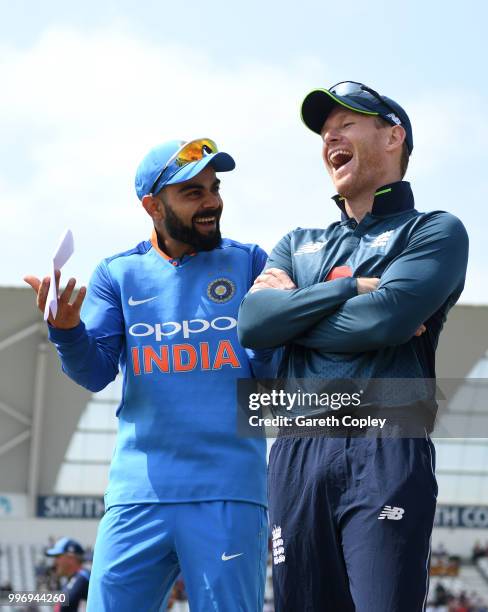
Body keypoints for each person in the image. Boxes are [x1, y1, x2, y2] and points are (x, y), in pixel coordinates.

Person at [238, 81, 469, 611]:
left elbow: (386, 322)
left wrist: (293, 314)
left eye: (345, 124)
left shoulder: (433, 230)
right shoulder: (297, 242)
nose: (329, 138)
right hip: (297, 448)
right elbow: (252, 325)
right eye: (324, 131)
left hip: (386, 441)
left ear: (394, 136)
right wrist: (346, 291)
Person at [25, 138, 277, 611]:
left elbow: (272, 374)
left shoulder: (251, 263)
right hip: (137, 493)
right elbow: (94, 372)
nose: (212, 202)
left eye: (214, 188)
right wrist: (67, 331)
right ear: (152, 205)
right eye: (193, 192)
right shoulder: (118, 274)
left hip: (228, 489)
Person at [45, 537, 89, 612]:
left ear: (71, 558)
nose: (54, 562)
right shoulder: (72, 580)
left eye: (57, 557)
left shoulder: (83, 578)